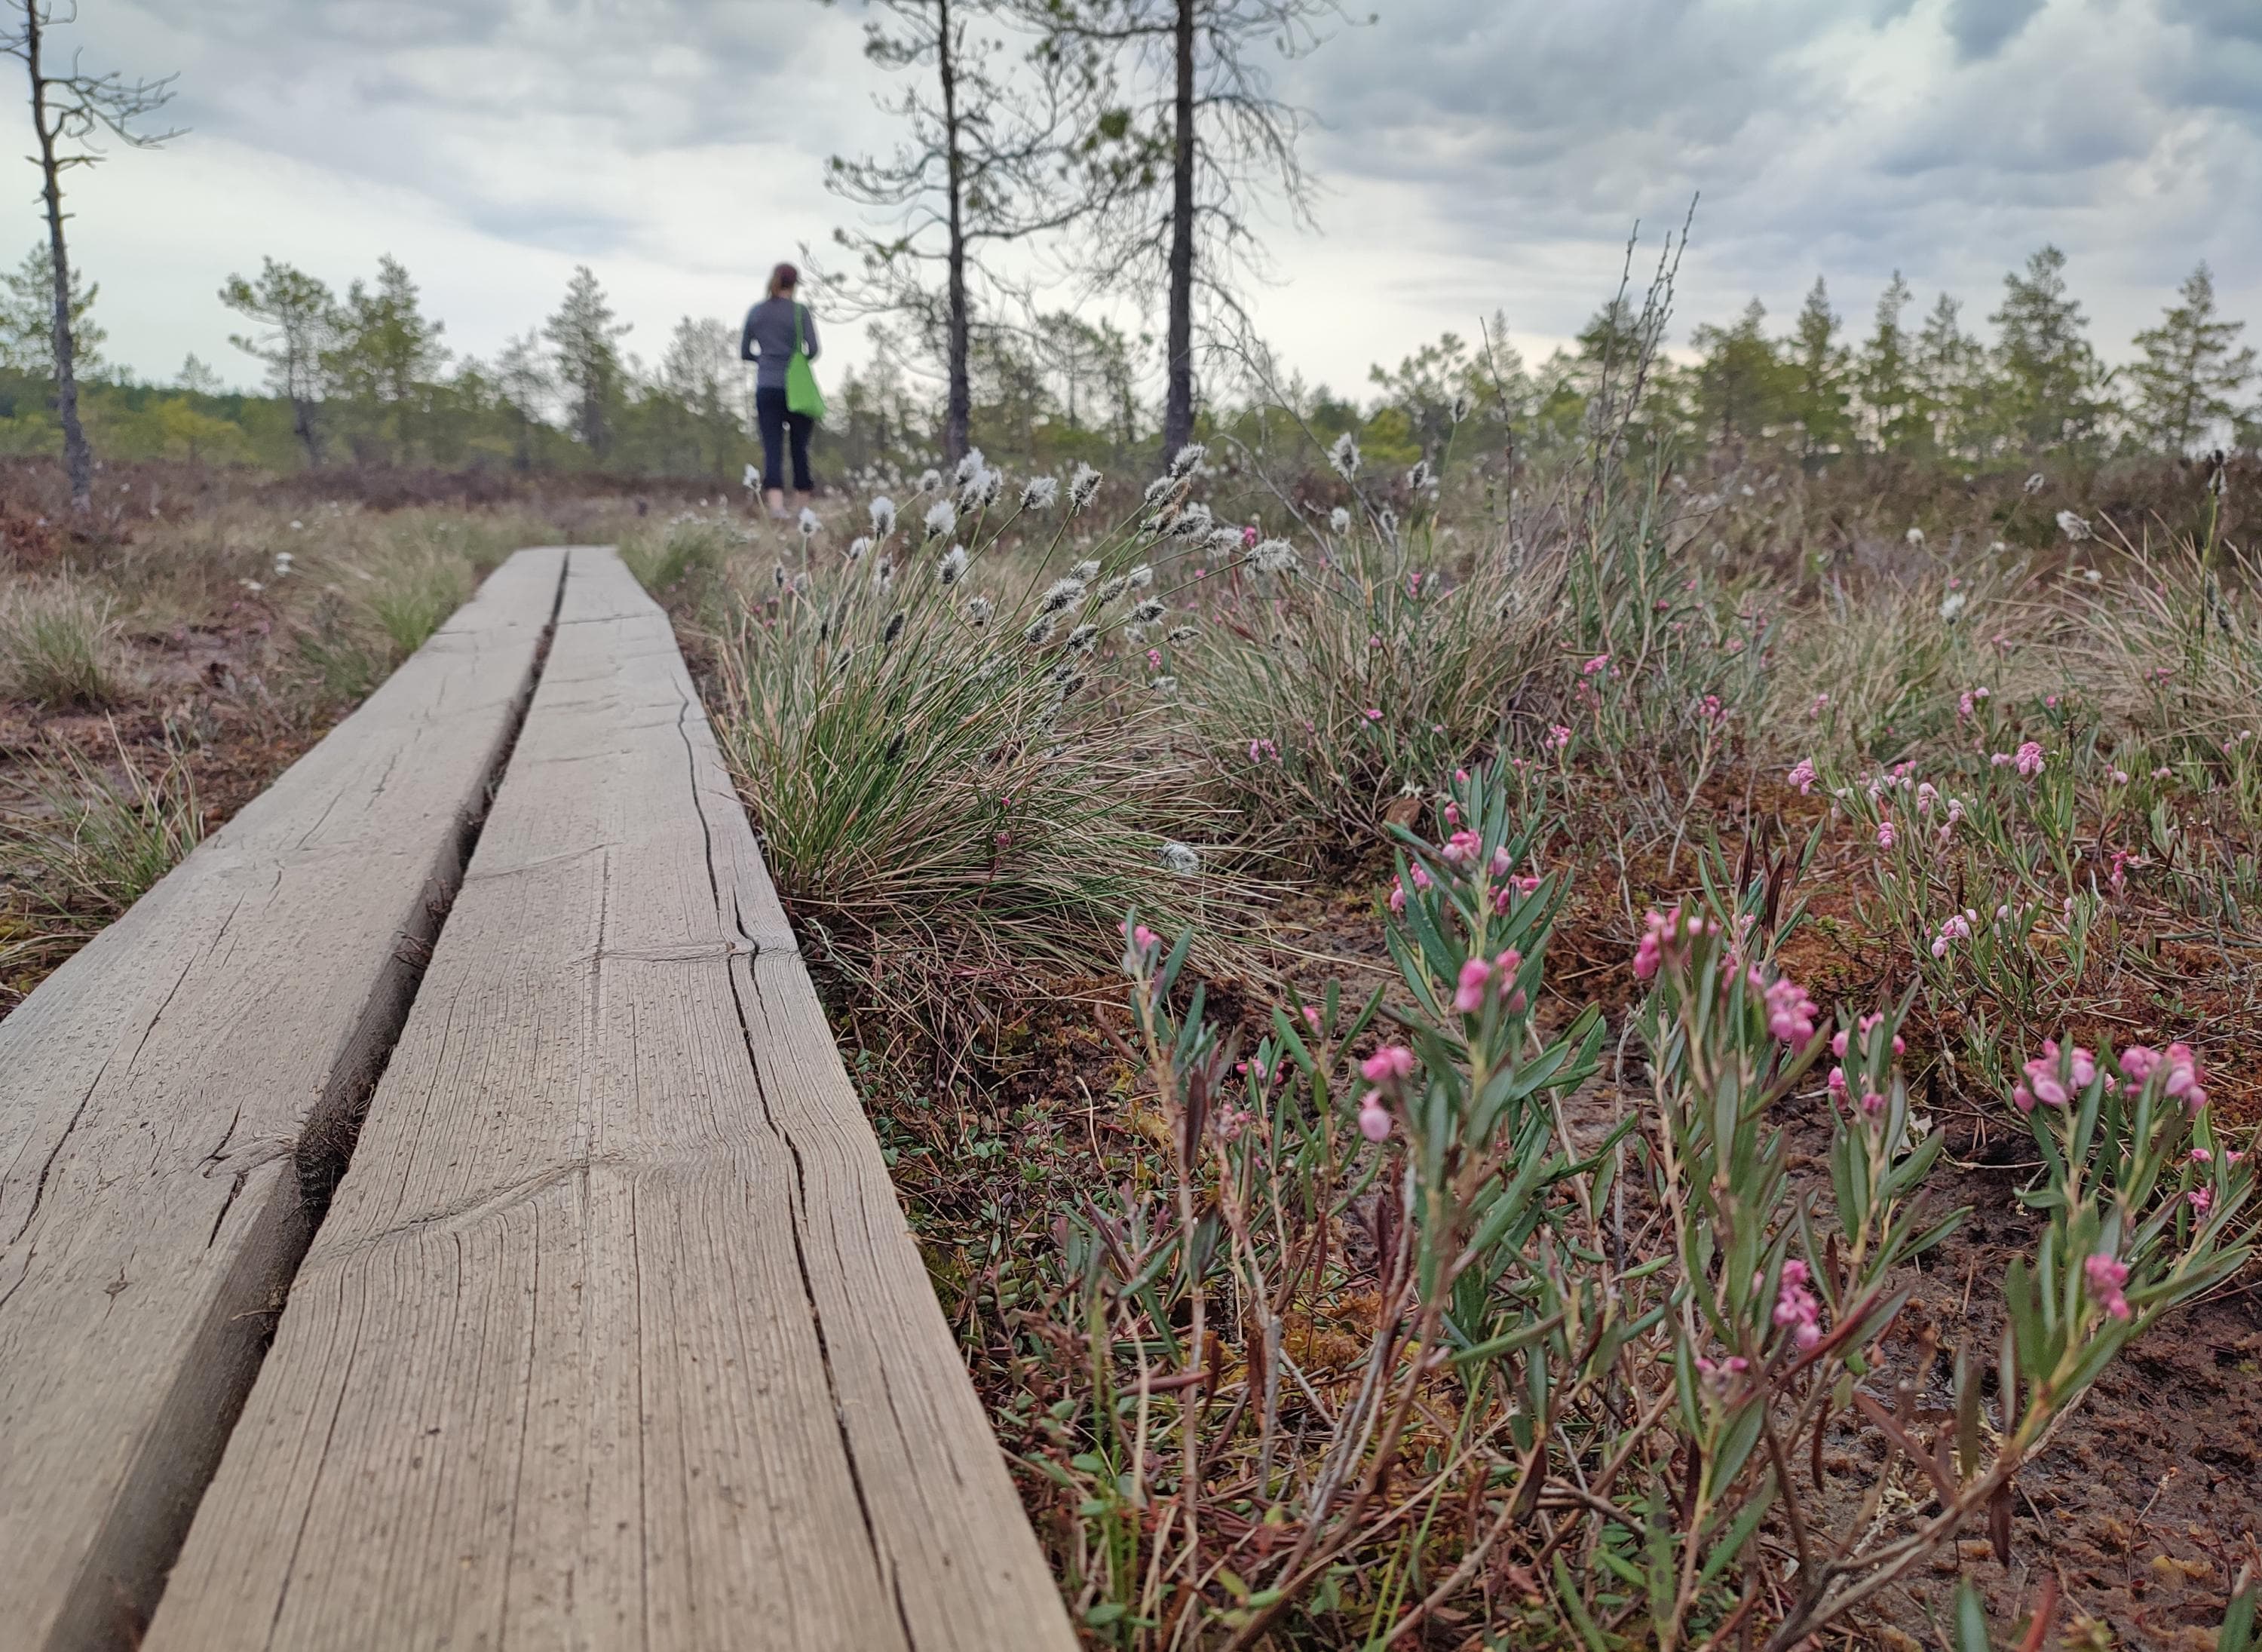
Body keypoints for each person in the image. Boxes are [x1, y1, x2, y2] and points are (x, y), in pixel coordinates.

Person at [740, 263, 820, 518]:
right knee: (800, 448)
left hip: (767, 387)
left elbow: (744, 352)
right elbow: (814, 349)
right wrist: (796, 360)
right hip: (797, 389)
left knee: (772, 449)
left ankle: (776, 508)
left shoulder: (756, 312)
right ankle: (802, 510)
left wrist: (764, 360)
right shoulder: (800, 312)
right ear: (795, 285)